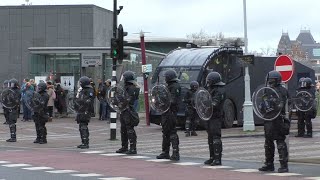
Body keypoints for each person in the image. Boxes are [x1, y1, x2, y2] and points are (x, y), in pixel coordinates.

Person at [258, 70, 290, 173]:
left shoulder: (282, 90)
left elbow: (282, 104)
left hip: (278, 119)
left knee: (280, 142)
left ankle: (284, 165)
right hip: (268, 119)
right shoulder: (267, 90)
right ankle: (269, 164)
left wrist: (272, 102)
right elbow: (263, 103)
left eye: (271, 80)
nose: (270, 82)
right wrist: (262, 106)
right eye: (269, 80)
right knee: (268, 143)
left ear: (277, 80)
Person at [156, 69, 181, 161]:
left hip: (171, 112)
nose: (165, 79)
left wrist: (164, 100)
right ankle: (165, 152)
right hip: (166, 111)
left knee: (172, 132)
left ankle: (175, 152)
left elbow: (173, 100)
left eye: (166, 77)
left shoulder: (175, 86)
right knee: (165, 132)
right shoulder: (169, 86)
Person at [203, 72, 225, 166]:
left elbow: (215, 104)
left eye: (209, 81)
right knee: (210, 138)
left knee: (216, 137)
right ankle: (212, 157)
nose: (208, 82)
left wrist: (207, 104)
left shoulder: (219, 91)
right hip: (209, 116)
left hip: (216, 117)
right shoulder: (210, 89)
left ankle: (217, 159)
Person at [116, 71, 140, 154]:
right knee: (123, 129)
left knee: (129, 129)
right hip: (123, 110)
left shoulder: (132, 88)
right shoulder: (125, 87)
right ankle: (124, 147)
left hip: (128, 110)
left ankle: (133, 148)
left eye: (124, 77)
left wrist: (122, 101)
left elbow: (129, 100)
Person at [75, 76, 94, 149]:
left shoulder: (90, 90)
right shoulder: (82, 90)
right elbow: (78, 99)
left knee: (83, 126)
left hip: (86, 110)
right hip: (81, 110)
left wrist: (81, 102)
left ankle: (86, 142)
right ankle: (83, 142)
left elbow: (88, 101)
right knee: (81, 126)